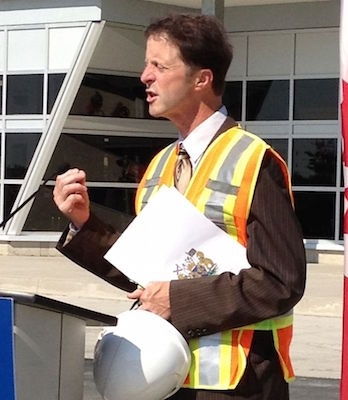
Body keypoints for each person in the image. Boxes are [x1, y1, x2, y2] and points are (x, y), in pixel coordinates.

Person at [53, 13, 306, 400]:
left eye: (159, 66)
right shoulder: (159, 166)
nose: (145, 77)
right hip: (162, 379)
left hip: (236, 385)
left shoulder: (255, 160)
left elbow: (280, 282)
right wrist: (83, 223)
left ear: (201, 79)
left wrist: (177, 299)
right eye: (146, 65)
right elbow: (145, 277)